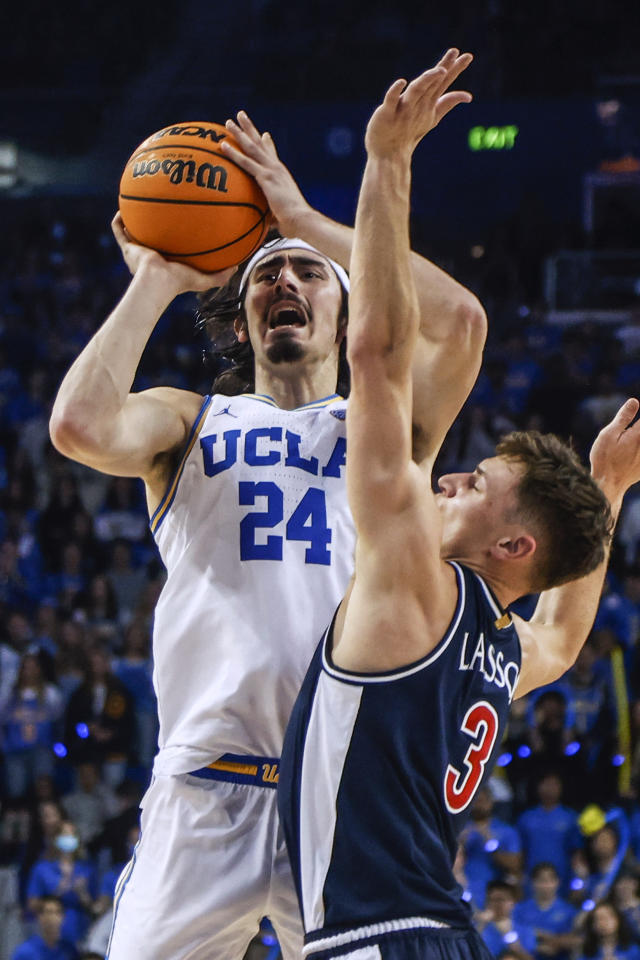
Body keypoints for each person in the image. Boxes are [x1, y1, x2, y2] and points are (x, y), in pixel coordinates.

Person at [48, 48, 485, 960]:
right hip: (204, 791)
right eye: (264, 278)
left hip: (343, 798)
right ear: (243, 319)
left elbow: (461, 325)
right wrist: (159, 278)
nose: (284, 282)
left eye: (311, 275)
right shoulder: (189, 419)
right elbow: (80, 428)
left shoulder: (387, 433)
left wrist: (298, 222)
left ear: (348, 306)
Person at [277, 59, 640, 960]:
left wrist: (387, 164)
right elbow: (561, 636)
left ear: (511, 542)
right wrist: (611, 494)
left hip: (378, 940)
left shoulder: (413, 581)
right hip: (439, 933)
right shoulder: (500, 643)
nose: (447, 481)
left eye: (473, 485)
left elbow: (376, 356)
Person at [11, 895, 78, 960]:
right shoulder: (25, 953)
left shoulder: (70, 951)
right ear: (39, 917)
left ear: (63, 917)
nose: (53, 917)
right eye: (49, 912)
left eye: (57, 912)